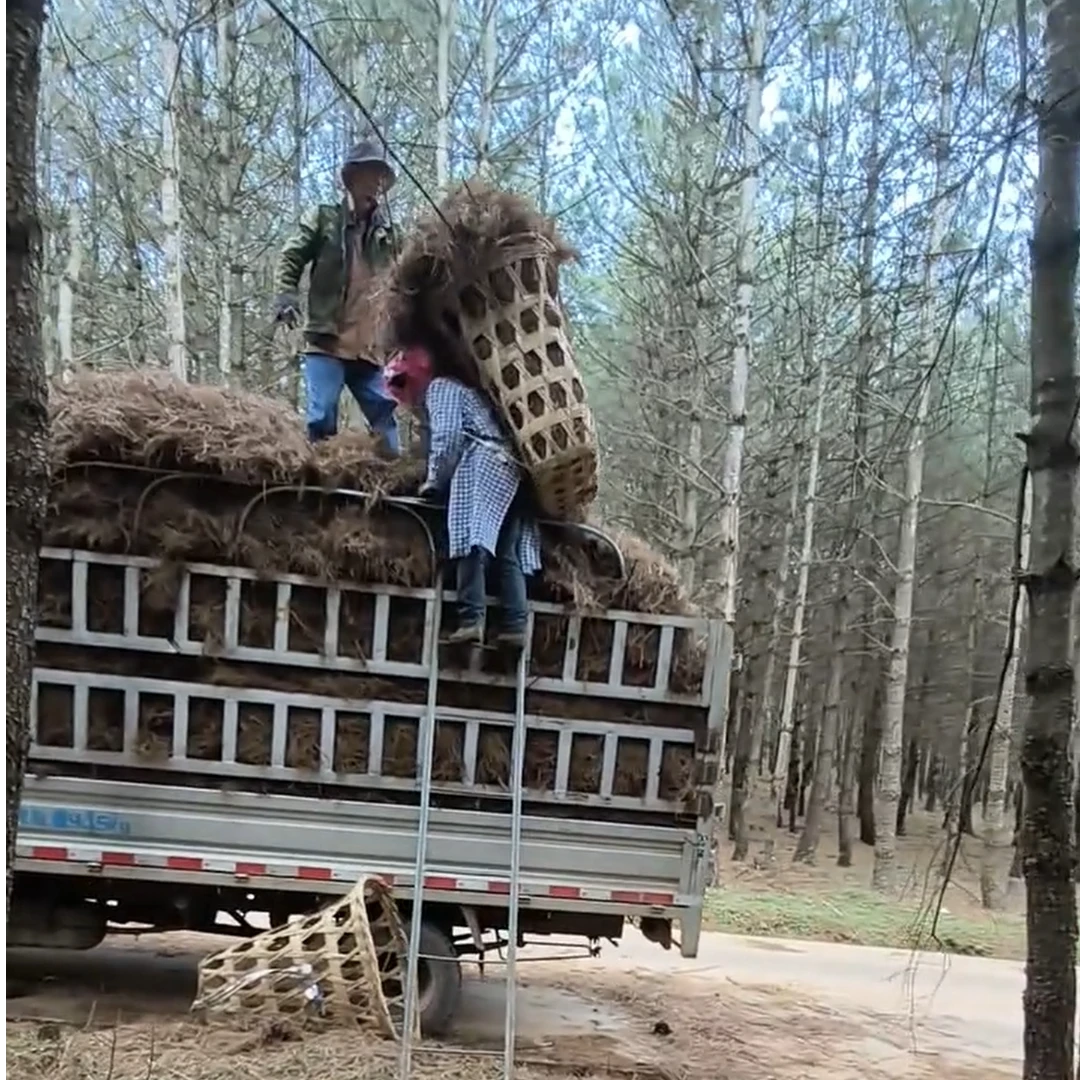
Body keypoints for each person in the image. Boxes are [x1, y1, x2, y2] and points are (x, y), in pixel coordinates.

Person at [382, 346, 542, 648]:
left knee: (470, 538)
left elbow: (448, 437)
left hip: (484, 462)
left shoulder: (441, 388)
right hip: (514, 468)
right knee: (506, 551)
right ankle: (515, 627)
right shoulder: (472, 391)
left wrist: (434, 480)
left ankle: (471, 621)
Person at [273, 136, 400, 453]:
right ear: (352, 179)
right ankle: (318, 474)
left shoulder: (389, 236)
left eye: (380, 180)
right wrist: (286, 294)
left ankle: (398, 477)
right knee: (321, 417)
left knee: (385, 416)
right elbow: (291, 255)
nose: (375, 186)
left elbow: (404, 281)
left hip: (368, 349)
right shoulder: (325, 218)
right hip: (328, 340)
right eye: (370, 177)